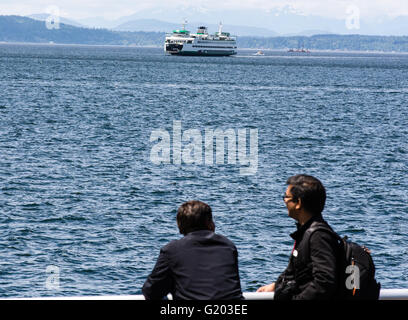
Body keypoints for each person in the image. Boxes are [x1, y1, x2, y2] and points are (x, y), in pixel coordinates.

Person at [257, 174, 341, 300]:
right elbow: (302, 274)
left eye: (286, 197)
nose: (284, 201)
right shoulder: (307, 232)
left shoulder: (318, 236)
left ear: (298, 203)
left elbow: (325, 281)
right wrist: (276, 286)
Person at [142, 200, 243, 300]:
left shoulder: (172, 250)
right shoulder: (228, 246)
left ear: (180, 225)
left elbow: (151, 291)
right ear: (210, 223)